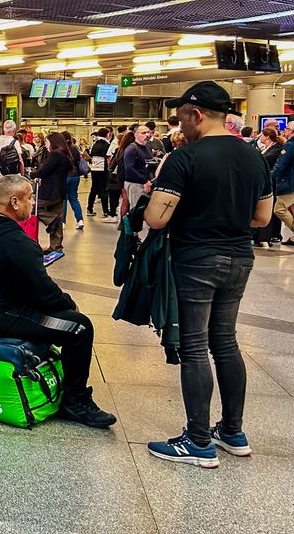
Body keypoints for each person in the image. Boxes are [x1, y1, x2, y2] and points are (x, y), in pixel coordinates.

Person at [144, 82, 273, 468]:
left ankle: (198, 442)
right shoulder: (254, 158)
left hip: (197, 259)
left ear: (196, 114)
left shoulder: (187, 158)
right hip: (239, 258)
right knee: (226, 343)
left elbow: (155, 217)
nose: (179, 123)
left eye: (182, 115)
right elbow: (262, 218)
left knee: (195, 347)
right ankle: (232, 432)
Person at [0, 175, 116, 427]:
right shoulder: (17, 242)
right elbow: (44, 292)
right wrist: (69, 304)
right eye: (29, 198)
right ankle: (75, 401)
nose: (33, 203)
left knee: (51, 315)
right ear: (15, 202)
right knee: (80, 327)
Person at [33, 132, 72, 254]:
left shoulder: (55, 154)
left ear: (53, 142)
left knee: (32, 207)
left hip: (50, 191)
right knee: (58, 217)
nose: (45, 144)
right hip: (60, 190)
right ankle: (56, 247)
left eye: (47, 142)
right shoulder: (65, 154)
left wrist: (33, 174)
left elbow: (44, 170)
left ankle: (50, 221)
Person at [255, 128, 284, 247]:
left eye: (261, 135)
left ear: (267, 137)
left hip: (272, 183)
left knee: (276, 209)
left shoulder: (276, 149)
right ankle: (259, 236)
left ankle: (269, 235)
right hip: (266, 181)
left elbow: (268, 162)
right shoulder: (265, 148)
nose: (259, 137)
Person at [122, 125, 154, 217]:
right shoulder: (131, 149)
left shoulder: (147, 147)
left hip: (146, 183)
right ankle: (132, 231)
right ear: (136, 135)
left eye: (148, 132)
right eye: (143, 133)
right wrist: (144, 181)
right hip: (135, 184)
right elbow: (129, 169)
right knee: (135, 211)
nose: (147, 135)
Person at [272, 130, 294, 243]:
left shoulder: (290, 145)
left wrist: (270, 177)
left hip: (289, 182)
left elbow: (281, 164)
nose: (284, 132)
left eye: (287, 130)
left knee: (279, 209)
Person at [61, 131, 84, 230]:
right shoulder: (75, 148)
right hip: (75, 176)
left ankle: (62, 222)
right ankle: (80, 220)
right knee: (74, 199)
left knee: (64, 199)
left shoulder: (61, 149)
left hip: (65, 176)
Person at [87, 128, 111, 218]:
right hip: (103, 169)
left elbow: (91, 154)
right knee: (104, 189)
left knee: (94, 189)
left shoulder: (95, 144)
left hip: (94, 169)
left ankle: (89, 208)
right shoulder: (106, 144)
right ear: (106, 134)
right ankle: (105, 211)